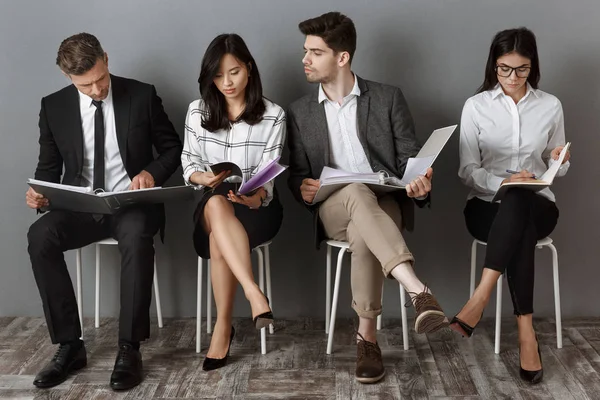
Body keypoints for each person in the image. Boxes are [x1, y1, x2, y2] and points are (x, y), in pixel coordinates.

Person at [287, 12, 448, 384]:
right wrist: (301, 187)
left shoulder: (388, 98)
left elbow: (410, 159)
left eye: (315, 52)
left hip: (382, 202)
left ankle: (367, 341)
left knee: (364, 227)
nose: (305, 60)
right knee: (355, 193)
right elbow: (297, 173)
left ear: (342, 58)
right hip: (332, 207)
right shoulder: (298, 112)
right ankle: (416, 289)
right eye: (305, 51)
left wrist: (421, 181)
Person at [26, 33, 183, 390]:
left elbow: (172, 149)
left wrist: (150, 173)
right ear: (68, 78)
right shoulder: (54, 107)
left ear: (106, 59)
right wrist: (38, 193)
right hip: (80, 207)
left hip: (130, 203)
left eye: (100, 79)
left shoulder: (141, 95)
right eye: (86, 85)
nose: (97, 89)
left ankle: (129, 348)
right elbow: (47, 170)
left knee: (135, 233)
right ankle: (69, 346)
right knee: (39, 236)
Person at [452, 27, 571, 384]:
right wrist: (503, 182)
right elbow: (467, 171)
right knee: (516, 201)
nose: (513, 77)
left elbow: (559, 167)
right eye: (505, 68)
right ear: (494, 65)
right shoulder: (476, 106)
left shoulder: (550, 105)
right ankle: (526, 335)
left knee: (522, 197)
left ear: (532, 66)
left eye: (521, 69)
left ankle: (480, 296)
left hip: (540, 206)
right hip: (486, 207)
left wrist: (556, 158)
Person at [182, 33, 285, 371]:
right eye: (217, 75)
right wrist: (203, 178)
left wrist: (256, 197)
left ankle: (222, 327)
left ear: (250, 69)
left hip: (256, 207)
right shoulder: (197, 111)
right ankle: (254, 293)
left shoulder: (273, 114)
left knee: (218, 236)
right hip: (212, 201)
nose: (226, 83)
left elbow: (270, 174)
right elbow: (189, 163)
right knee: (214, 203)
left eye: (234, 72)